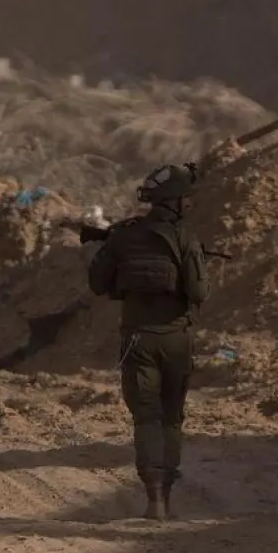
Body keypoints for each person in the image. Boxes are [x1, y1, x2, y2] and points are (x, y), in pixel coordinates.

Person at [87, 163, 208, 520]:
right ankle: (166, 496)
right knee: (171, 418)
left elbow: (97, 283)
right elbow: (199, 290)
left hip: (137, 339)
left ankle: (153, 497)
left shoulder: (123, 235)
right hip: (176, 340)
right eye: (185, 199)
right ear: (174, 203)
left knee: (146, 419)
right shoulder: (185, 237)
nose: (189, 204)